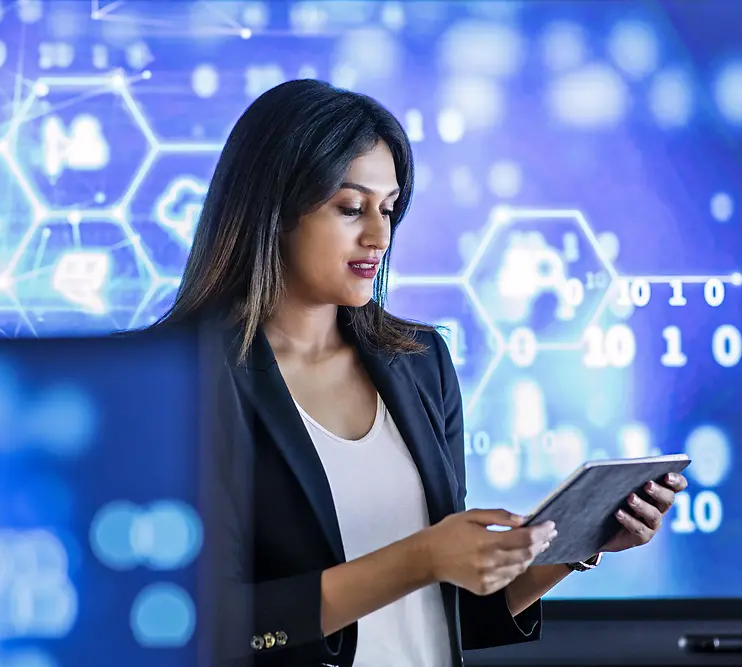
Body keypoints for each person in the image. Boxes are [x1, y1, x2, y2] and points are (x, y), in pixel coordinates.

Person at [151, 79, 688, 666]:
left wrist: (577, 548)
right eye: (351, 208)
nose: (379, 236)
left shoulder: (420, 362)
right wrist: (420, 558)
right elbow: (204, 622)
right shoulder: (175, 381)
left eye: (388, 209)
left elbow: (451, 612)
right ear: (273, 209)